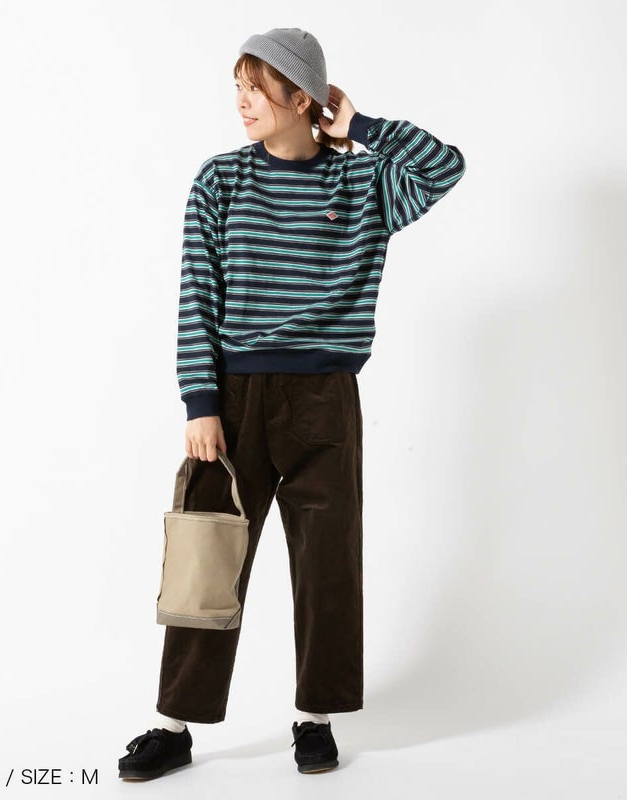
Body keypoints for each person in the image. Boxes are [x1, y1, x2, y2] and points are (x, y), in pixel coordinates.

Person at [118, 27, 466, 781]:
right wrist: (200, 401)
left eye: (256, 88)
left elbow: (446, 167)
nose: (241, 103)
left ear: (301, 97)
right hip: (233, 399)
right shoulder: (220, 180)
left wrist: (363, 127)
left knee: (327, 563)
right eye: (238, 88)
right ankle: (173, 724)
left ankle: (316, 717)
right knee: (208, 562)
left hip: (325, 399)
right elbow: (197, 294)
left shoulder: (363, 182)